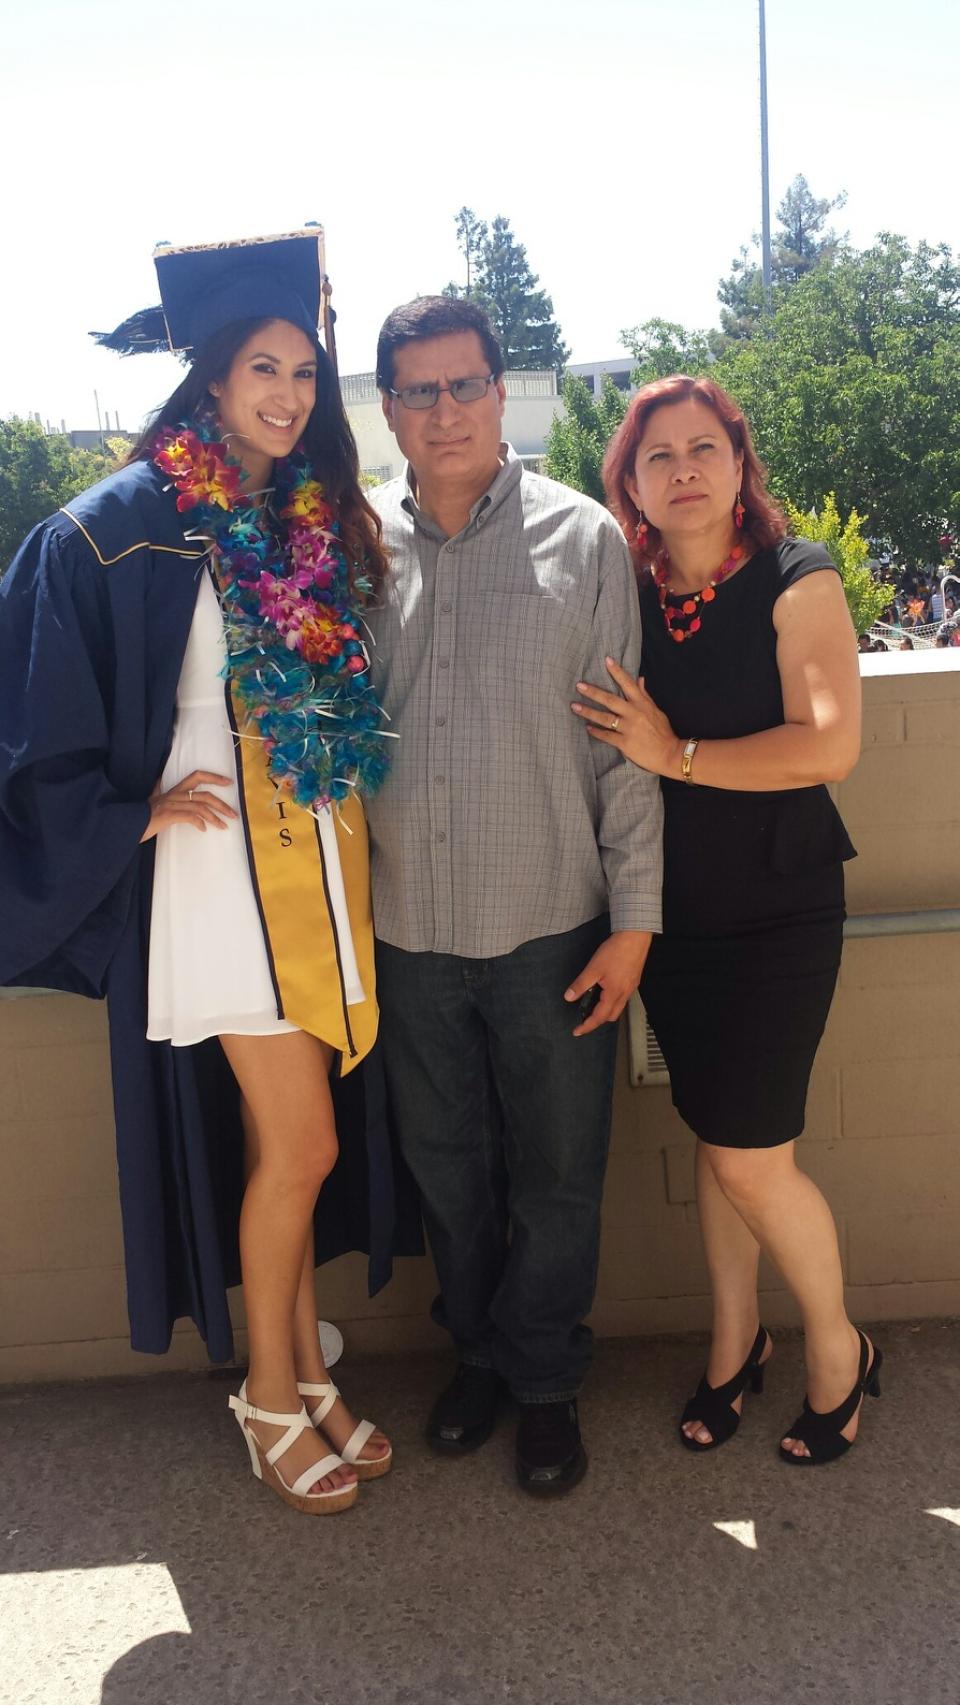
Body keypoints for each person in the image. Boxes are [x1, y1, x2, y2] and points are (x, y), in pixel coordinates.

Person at [0, 230, 419, 1515]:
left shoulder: (300, 513)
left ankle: (297, 1367)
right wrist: (124, 813)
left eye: (304, 368)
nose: (290, 393)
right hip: (220, 886)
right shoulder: (117, 528)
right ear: (209, 378)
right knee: (298, 1144)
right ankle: (266, 1394)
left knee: (282, 1143)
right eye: (262, 368)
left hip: (312, 869)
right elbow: (33, 710)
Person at [364, 296, 663, 1496]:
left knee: (556, 1170)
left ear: (503, 391)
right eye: (420, 391)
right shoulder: (349, 554)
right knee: (446, 1166)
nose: (445, 411)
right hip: (405, 930)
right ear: (388, 408)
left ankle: (543, 1382)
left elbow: (621, 744)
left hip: (553, 926)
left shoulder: (583, 542)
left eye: (465, 385)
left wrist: (636, 920)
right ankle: (479, 1357)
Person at [575, 374, 883, 1466]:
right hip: (675, 915)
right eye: (659, 457)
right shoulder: (628, 589)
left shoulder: (798, 579)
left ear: (742, 466)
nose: (684, 469)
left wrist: (679, 757)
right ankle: (735, 1342)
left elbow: (829, 744)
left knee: (753, 1158)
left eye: (705, 447)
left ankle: (839, 1353)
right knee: (720, 1140)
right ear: (632, 484)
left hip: (780, 908)